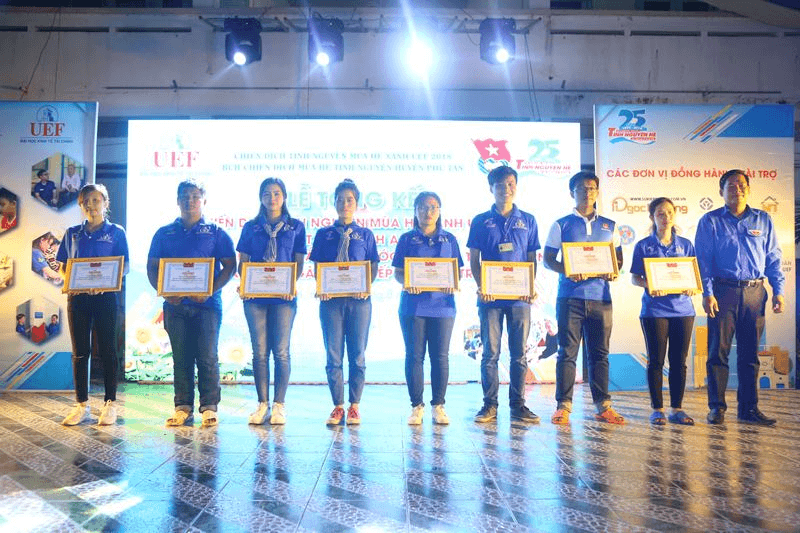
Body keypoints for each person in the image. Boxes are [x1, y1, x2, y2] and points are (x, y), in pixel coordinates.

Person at [696, 169, 784, 426]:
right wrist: (707, 293)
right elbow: (703, 261)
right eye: (731, 185)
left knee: (750, 355)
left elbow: (773, 257)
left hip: (755, 293)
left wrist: (778, 291)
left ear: (749, 189)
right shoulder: (710, 221)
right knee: (718, 353)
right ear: (721, 191)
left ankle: (749, 409)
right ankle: (717, 408)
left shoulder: (763, 219)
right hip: (723, 292)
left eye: (742, 185)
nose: (737, 189)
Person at [147, 179, 236, 428]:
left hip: (207, 305)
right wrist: (164, 292)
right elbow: (152, 267)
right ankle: (183, 407)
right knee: (181, 357)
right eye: (185, 196)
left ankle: (209, 407)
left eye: (195, 196)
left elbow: (231, 265)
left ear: (203, 200)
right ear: (178, 201)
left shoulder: (216, 232)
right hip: (174, 305)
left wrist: (210, 290)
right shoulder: (164, 233)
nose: (190, 201)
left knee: (207, 356)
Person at [543, 171, 625, 425]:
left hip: (601, 299)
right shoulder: (561, 224)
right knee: (567, 353)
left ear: (597, 192)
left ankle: (603, 406)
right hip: (570, 298)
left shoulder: (610, 226)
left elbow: (618, 260)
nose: (587, 193)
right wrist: (568, 270)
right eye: (582, 188)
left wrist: (612, 271)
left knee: (600, 354)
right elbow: (548, 260)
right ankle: (563, 406)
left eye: (592, 188)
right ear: (572, 192)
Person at [467, 165, 540, 424]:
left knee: (519, 354)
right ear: (491, 188)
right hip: (490, 299)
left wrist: (530, 286)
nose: (506, 189)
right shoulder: (480, 220)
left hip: (520, 299)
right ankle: (490, 405)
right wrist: (482, 286)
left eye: (510, 184)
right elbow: (474, 259)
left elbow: (531, 258)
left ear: (516, 186)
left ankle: (518, 405)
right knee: (490, 354)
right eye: (500, 185)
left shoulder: (528, 220)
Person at [57, 184, 129, 426]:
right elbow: (63, 266)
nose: (91, 205)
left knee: (108, 350)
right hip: (78, 298)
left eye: (96, 200)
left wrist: (107, 282)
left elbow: (125, 265)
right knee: (80, 352)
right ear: (81, 205)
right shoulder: (72, 233)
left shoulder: (116, 232)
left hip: (106, 297)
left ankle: (110, 403)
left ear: (105, 203)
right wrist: (71, 280)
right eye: (86, 201)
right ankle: (81, 405)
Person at [236, 178, 306, 426]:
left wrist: (290, 284)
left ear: (284, 197)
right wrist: (245, 284)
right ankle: (262, 404)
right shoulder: (251, 227)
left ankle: (279, 405)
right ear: (260, 198)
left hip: (283, 298)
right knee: (259, 352)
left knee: (281, 352)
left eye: (276, 193)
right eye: (267, 194)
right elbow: (243, 261)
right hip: (255, 298)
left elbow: (298, 262)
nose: (272, 198)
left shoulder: (296, 227)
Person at [309, 179, 379, 426]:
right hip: (331, 303)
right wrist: (322, 287)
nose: (345, 204)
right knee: (334, 355)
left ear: (357, 204)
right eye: (340, 199)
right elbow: (318, 266)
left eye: (349, 200)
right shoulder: (323, 234)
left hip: (359, 303)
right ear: (334, 203)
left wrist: (365, 287)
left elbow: (373, 266)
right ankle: (338, 405)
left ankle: (355, 406)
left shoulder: (366, 235)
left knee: (357, 355)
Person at [392, 192, 464, 425]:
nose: (428, 211)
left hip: (443, 307)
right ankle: (416, 407)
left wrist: (452, 282)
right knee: (414, 357)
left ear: (440, 211)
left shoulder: (450, 239)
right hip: (413, 307)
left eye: (433, 207)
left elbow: (457, 272)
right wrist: (407, 282)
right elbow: (398, 273)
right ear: (415, 211)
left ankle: (438, 406)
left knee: (440, 357)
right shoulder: (406, 239)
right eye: (422, 207)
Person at [630, 197, 698, 426]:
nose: (666, 217)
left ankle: (677, 409)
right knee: (656, 361)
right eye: (660, 213)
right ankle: (657, 409)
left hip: (683, 310)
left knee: (679, 361)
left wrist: (692, 286)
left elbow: (693, 275)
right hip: (654, 310)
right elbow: (635, 278)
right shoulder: (643, 246)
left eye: (669, 212)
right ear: (652, 217)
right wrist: (649, 285)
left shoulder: (686, 245)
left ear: (674, 215)